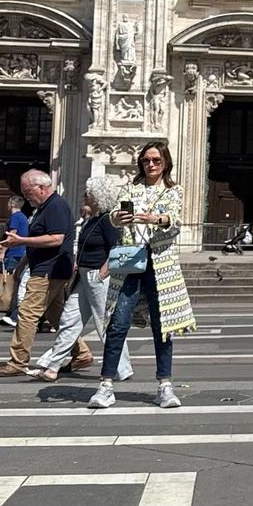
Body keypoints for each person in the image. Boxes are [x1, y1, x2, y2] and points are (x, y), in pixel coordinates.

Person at [91, 141, 196, 411]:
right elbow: (114, 216)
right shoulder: (130, 188)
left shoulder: (173, 190)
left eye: (156, 160)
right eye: (146, 160)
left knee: (163, 326)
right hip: (130, 260)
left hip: (161, 264)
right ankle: (106, 385)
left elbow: (175, 220)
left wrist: (156, 220)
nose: (150, 165)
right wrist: (117, 218)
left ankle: (164, 385)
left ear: (165, 163)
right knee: (118, 322)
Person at [32, 176, 133, 387]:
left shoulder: (107, 220)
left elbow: (118, 247)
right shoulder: (92, 220)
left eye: (88, 193)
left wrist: (103, 272)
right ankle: (52, 366)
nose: (84, 196)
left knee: (105, 323)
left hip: (98, 277)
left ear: (98, 197)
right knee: (69, 319)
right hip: (84, 276)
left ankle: (121, 368)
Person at [0, 171, 76, 377]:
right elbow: (40, 240)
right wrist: (23, 263)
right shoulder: (44, 208)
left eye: (28, 193)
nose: (26, 197)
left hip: (49, 270)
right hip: (45, 267)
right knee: (56, 316)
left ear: (41, 188)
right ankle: (81, 354)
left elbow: (56, 238)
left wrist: (20, 241)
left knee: (27, 313)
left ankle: (18, 361)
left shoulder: (55, 206)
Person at [4, 196, 29, 273]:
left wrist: (2, 251)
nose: (7, 205)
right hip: (22, 252)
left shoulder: (15, 217)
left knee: (9, 276)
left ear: (12, 204)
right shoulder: (24, 217)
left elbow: (11, 234)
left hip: (13, 252)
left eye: (8, 203)